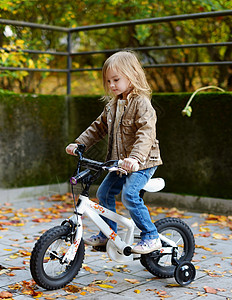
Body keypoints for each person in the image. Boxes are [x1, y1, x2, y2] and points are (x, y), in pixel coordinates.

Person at [65, 50, 163, 254]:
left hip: (142, 163)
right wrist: (79, 144)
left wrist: (135, 158)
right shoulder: (112, 105)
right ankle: (107, 234)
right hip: (119, 163)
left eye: (116, 79)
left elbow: (146, 133)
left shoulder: (141, 103)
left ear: (132, 75)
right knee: (104, 193)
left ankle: (151, 236)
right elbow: (97, 128)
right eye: (108, 81)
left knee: (129, 195)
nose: (111, 85)